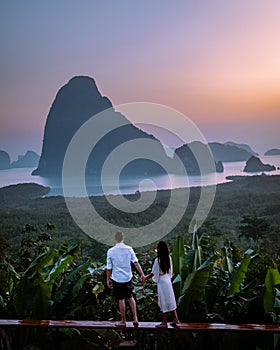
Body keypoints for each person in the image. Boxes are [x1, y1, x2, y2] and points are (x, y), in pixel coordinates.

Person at [106, 231, 145, 328]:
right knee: (130, 297)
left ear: (115, 239)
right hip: (127, 277)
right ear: (123, 238)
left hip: (117, 278)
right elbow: (136, 262)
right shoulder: (129, 249)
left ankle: (123, 320)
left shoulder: (111, 251)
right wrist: (142, 274)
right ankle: (135, 318)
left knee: (121, 299)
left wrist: (108, 279)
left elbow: (109, 267)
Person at [142, 240, 180, 328]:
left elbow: (154, 272)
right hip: (167, 279)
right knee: (170, 299)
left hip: (162, 281)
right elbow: (171, 271)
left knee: (164, 300)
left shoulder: (158, 260)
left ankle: (164, 322)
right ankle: (176, 318)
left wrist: (145, 278)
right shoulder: (168, 258)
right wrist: (168, 277)